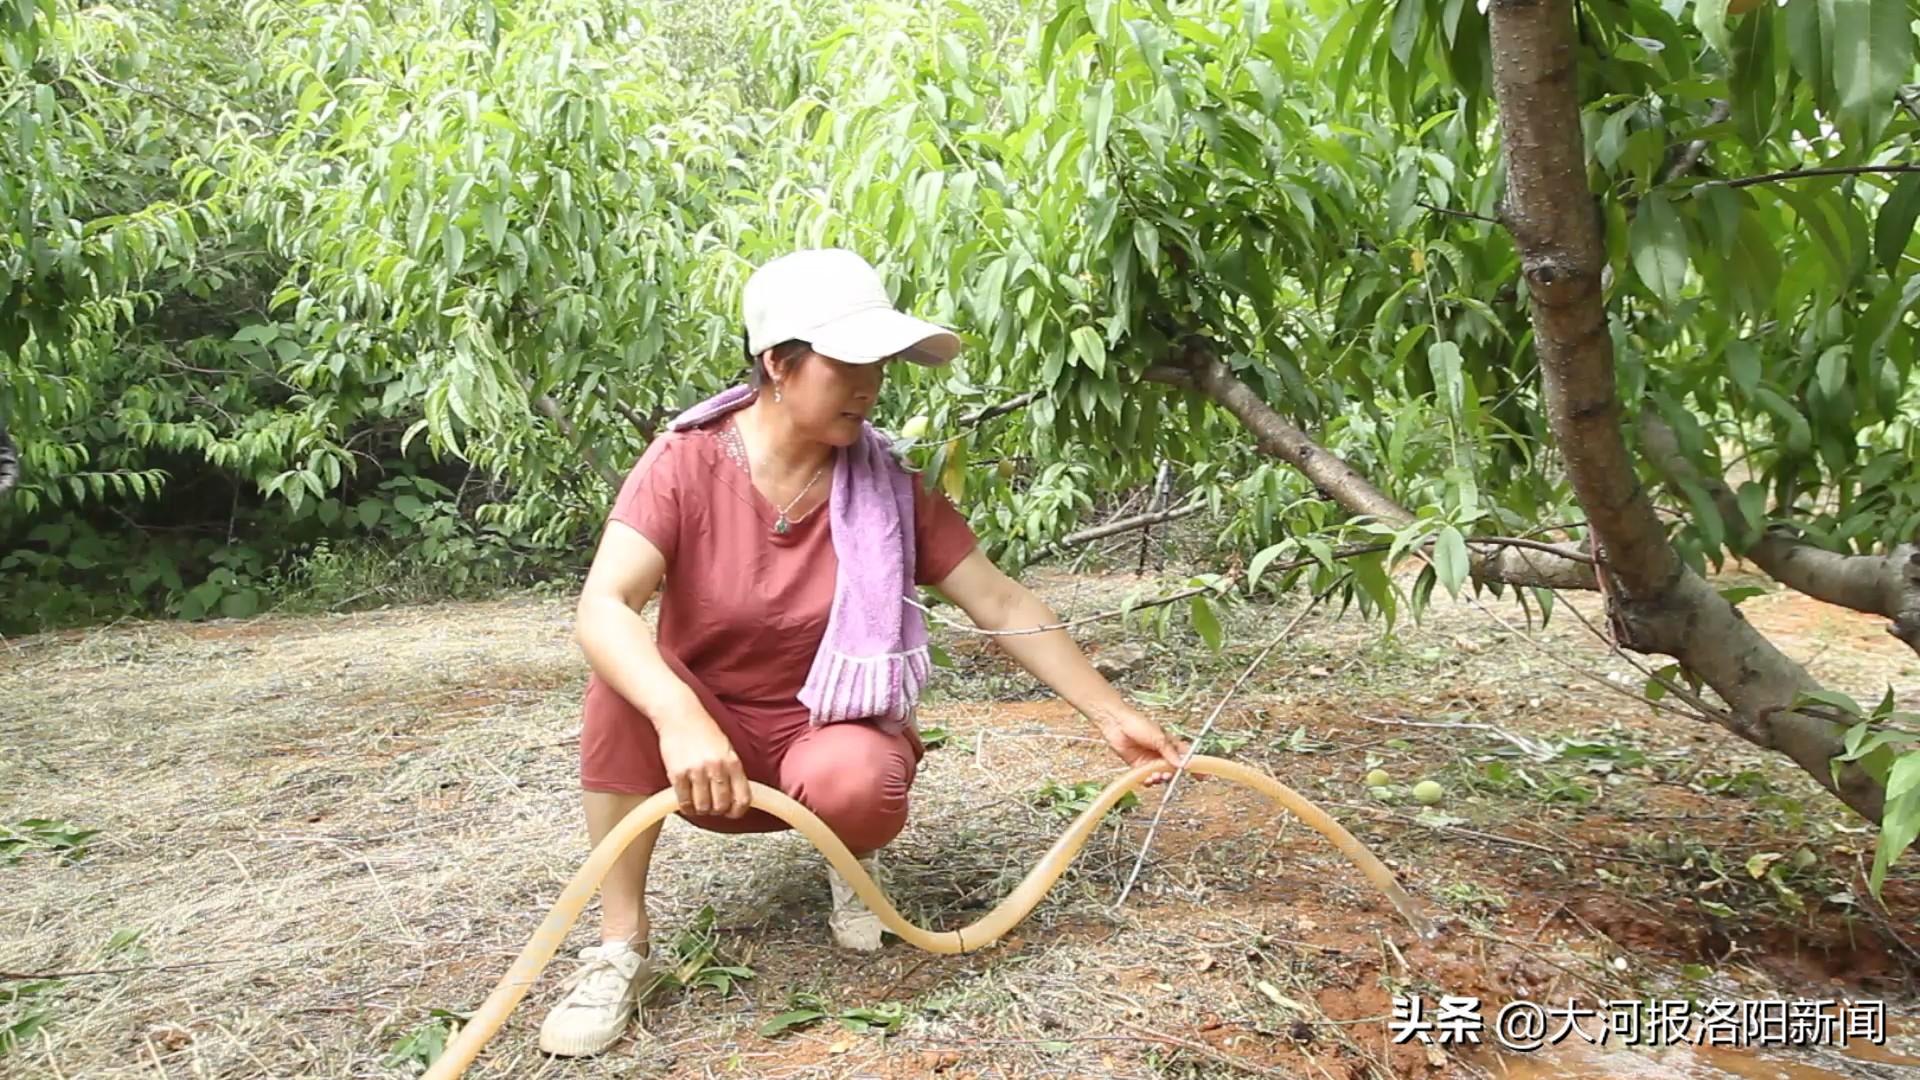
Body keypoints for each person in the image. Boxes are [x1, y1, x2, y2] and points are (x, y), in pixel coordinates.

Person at [541, 248, 1189, 1056]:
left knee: (860, 781)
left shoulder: (887, 484)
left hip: (824, 726)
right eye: (849, 363)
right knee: (620, 686)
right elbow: (603, 607)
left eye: (879, 363)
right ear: (778, 363)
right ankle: (619, 947)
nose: (871, 384)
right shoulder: (687, 462)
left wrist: (1111, 713)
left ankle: (847, 862)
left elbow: (999, 599)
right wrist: (678, 716)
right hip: (701, 745)